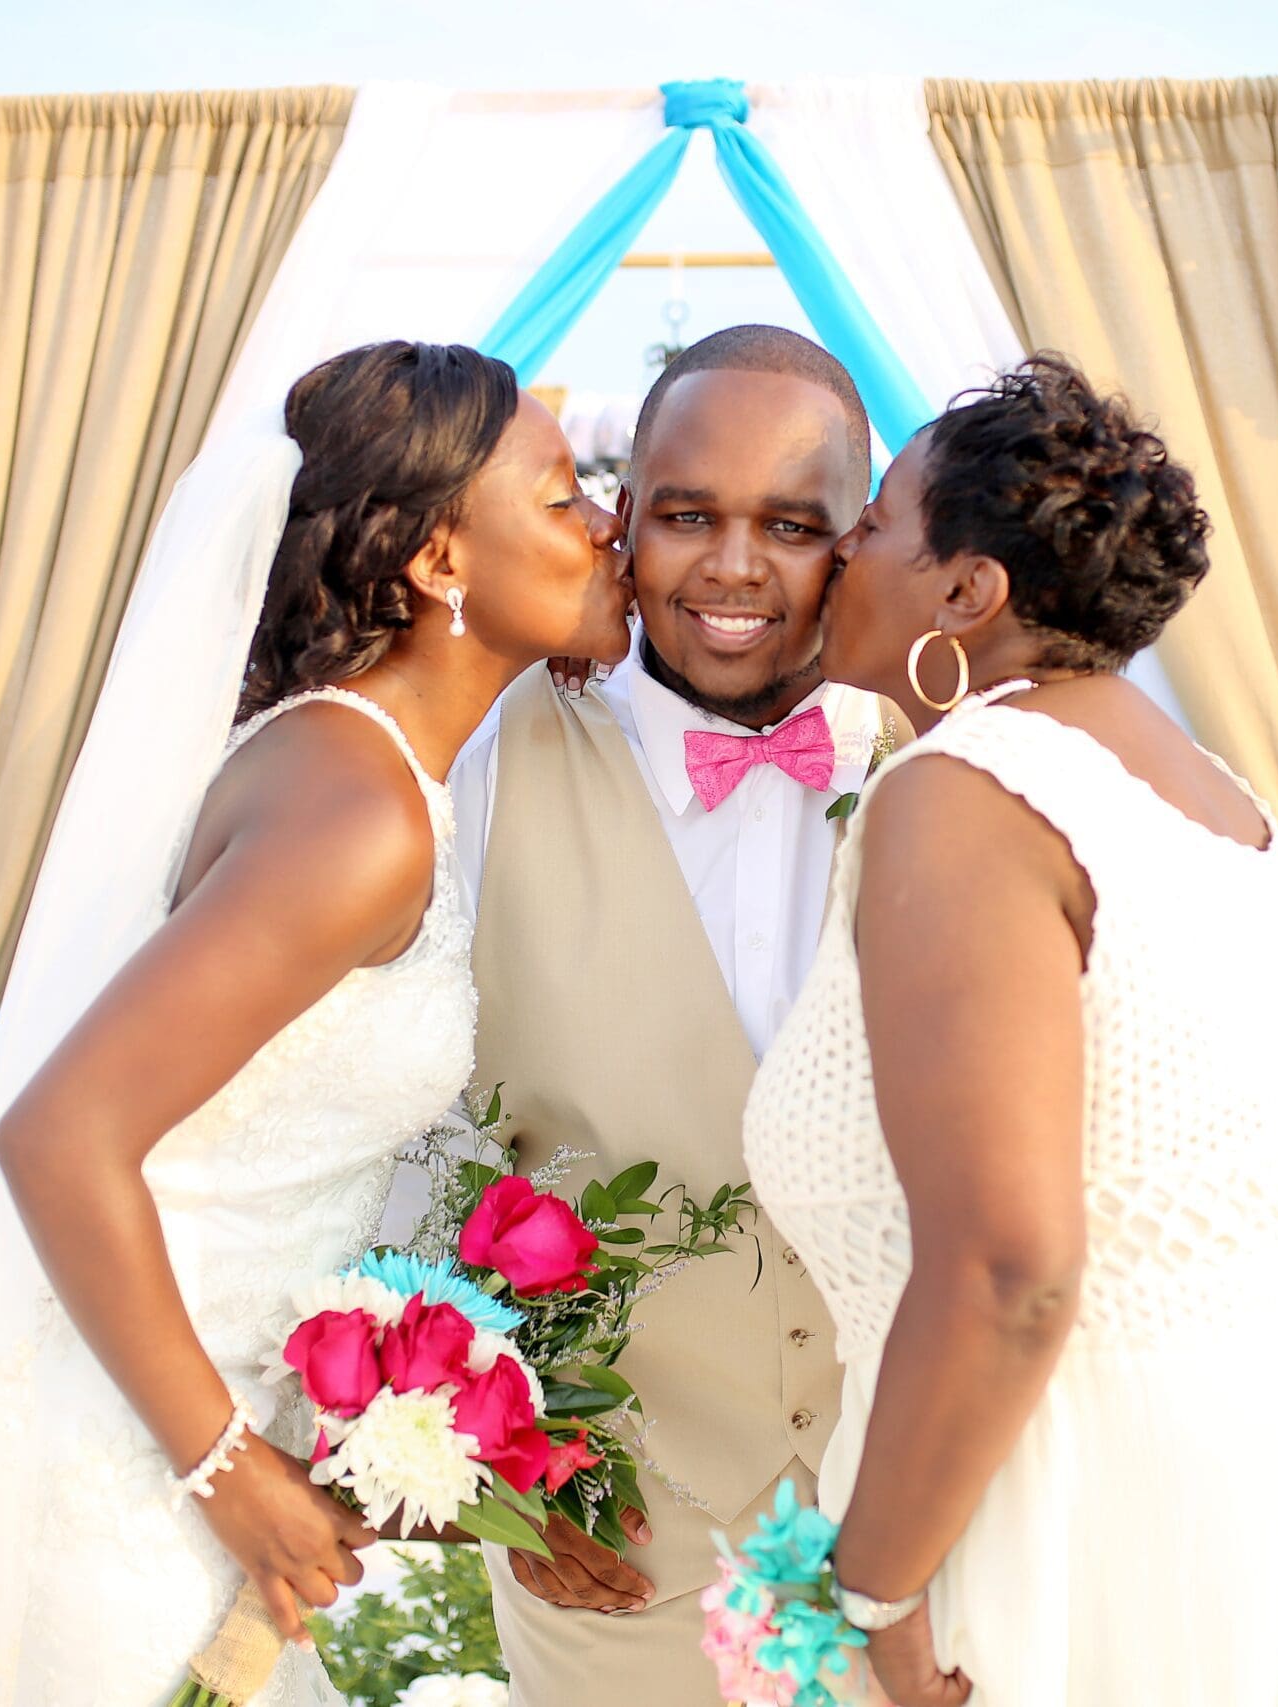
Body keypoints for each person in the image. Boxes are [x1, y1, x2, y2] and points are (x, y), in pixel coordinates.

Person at [0, 340, 632, 1707]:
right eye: (564, 497)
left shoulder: (351, 765)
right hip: (124, 1478)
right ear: (443, 563)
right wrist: (226, 1468)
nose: (606, 523)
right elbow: (62, 1133)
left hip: (163, 1433)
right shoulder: (358, 814)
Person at [744, 357, 1278, 1706]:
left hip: (1092, 1474)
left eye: (871, 522)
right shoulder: (1205, 788)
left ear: (967, 592)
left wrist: (869, 1588)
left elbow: (1010, 1267)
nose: (835, 559)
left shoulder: (966, 790)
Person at [449, 325, 908, 1706]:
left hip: (923, 1523)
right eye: (688, 515)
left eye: (791, 524)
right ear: (621, 521)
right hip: (611, 1550)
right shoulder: (481, 753)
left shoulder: (950, 765)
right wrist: (490, 1463)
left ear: (861, 539)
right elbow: (394, 1122)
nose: (730, 567)